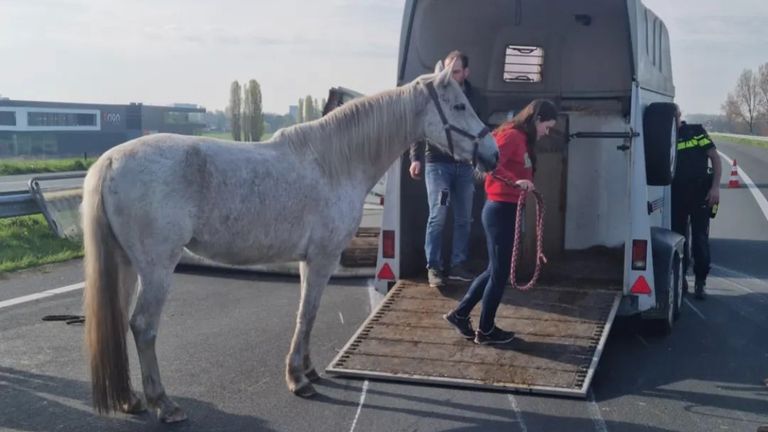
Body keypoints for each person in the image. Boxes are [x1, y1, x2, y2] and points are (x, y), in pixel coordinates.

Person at [443, 99, 558, 344]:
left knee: (494, 270)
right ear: (537, 119)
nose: (546, 133)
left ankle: (461, 314)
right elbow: (490, 164)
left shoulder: (522, 139)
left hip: (506, 208)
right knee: (499, 272)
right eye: (546, 127)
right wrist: (515, 182)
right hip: (499, 209)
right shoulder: (512, 137)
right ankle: (485, 330)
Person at [409, 50, 479, 288]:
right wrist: (414, 158)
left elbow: (478, 130)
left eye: (456, 71)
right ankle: (434, 267)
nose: (451, 75)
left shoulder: (476, 98)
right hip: (438, 165)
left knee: (464, 219)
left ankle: (458, 265)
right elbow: (420, 125)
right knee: (438, 216)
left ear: (466, 73)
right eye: (448, 70)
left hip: (465, 167)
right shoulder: (435, 93)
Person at [671, 109, 722, 300]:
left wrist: (715, 188)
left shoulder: (696, 132)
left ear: (679, 117)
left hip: (701, 194)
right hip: (676, 195)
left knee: (700, 240)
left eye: (674, 118)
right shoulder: (667, 136)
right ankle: (681, 279)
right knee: (678, 239)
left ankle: (700, 281)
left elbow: (715, 158)